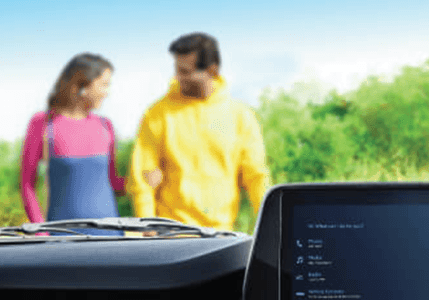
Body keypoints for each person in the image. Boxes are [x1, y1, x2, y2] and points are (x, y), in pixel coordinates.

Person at [126, 32, 271, 231]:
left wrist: (271, 224)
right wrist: (146, 226)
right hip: (170, 233)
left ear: (212, 70)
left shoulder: (240, 116)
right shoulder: (158, 114)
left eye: (185, 71)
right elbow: (142, 177)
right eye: (177, 69)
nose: (177, 77)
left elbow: (256, 177)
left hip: (221, 233)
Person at [20, 53, 126, 235]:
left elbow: (114, 183)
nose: (107, 92)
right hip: (62, 237)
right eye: (104, 85)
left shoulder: (105, 125)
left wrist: (143, 180)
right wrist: (40, 231)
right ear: (82, 85)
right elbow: (27, 185)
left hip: (111, 235)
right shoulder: (44, 124)